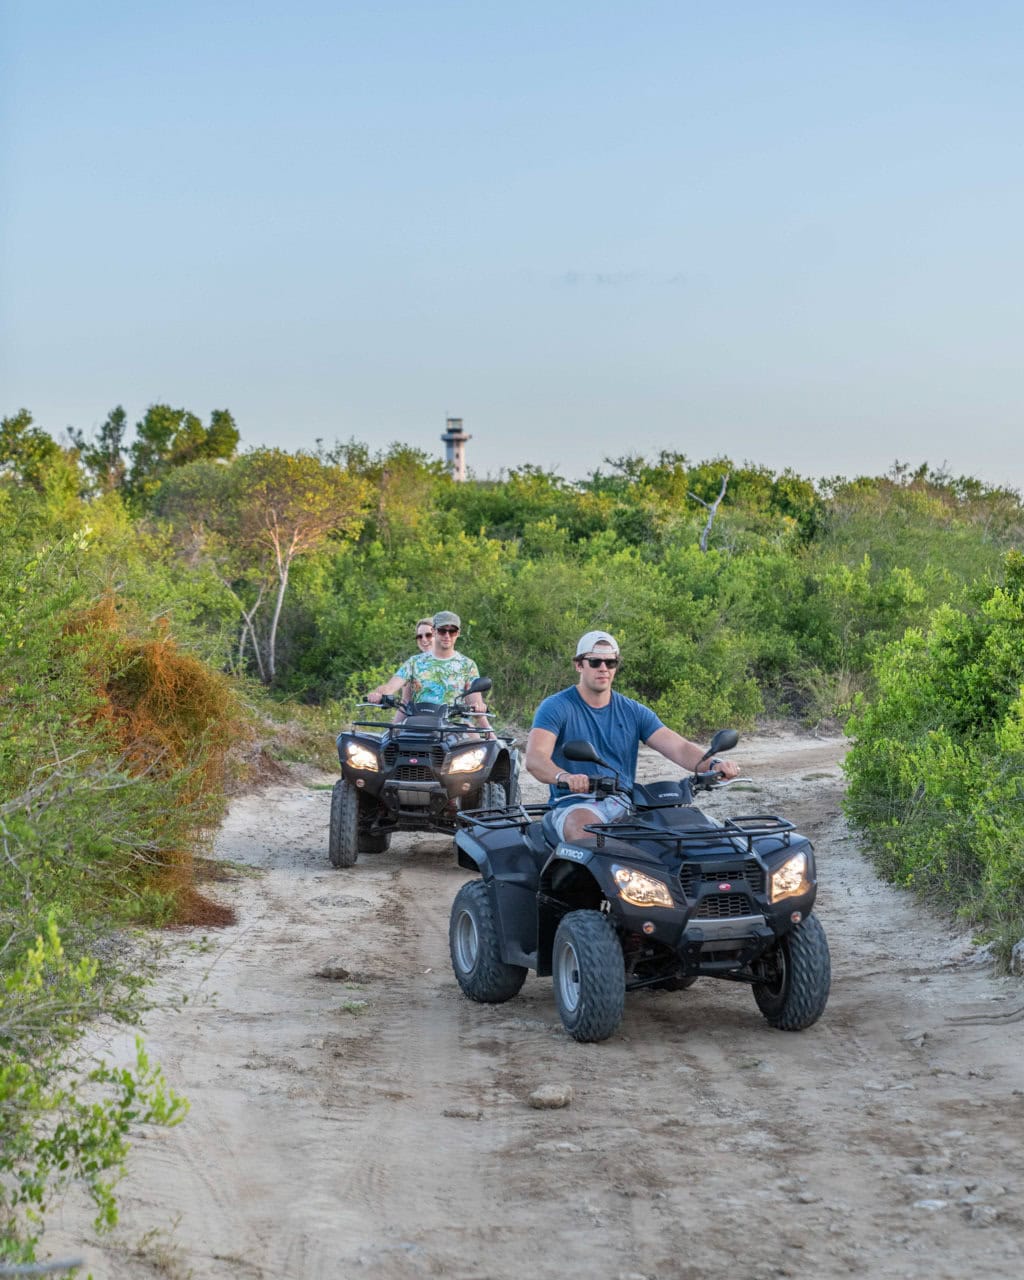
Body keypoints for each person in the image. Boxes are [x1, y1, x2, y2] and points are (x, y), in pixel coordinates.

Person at [525, 629, 741, 843]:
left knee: (704, 834)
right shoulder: (556, 707)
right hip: (575, 803)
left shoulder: (632, 710)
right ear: (579, 665)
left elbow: (678, 747)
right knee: (588, 836)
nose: (603, 668)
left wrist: (714, 764)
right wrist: (565, 777)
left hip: (626, 802)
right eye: (595, 662)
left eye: (610, 663)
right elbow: (536, 759)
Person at [368, 610, 493, 734]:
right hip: (416, 726)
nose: (447, 635)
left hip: (455, 727)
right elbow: (390, 687)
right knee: (383, 744)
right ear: (434, 631)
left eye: (452, 631)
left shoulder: (467, 665)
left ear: (458, 633)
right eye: (442, 630)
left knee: (477, 743)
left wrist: (480, 710)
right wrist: (378, 694)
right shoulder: (414, 662)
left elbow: (475, 700)